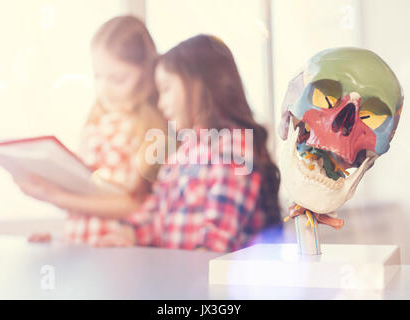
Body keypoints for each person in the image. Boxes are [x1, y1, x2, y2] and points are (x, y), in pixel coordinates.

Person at [18, 34, 282, 252]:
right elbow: (156, 212)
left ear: (199, 85)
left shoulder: (233, 146)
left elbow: (217, 242)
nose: (160, 102)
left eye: (166, 89)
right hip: (182, 279)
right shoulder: (185, 150)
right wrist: (127, 233)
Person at [20, 15, 167, 246]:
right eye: (98, 76)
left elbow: (138, 204)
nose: (104, 89)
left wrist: (57, 197)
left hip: (119, 256)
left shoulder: (151, 131)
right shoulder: (95, 123)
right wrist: (59, 241)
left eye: (118, 79)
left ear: (146, 73)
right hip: (81, 248)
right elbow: (88, 195)